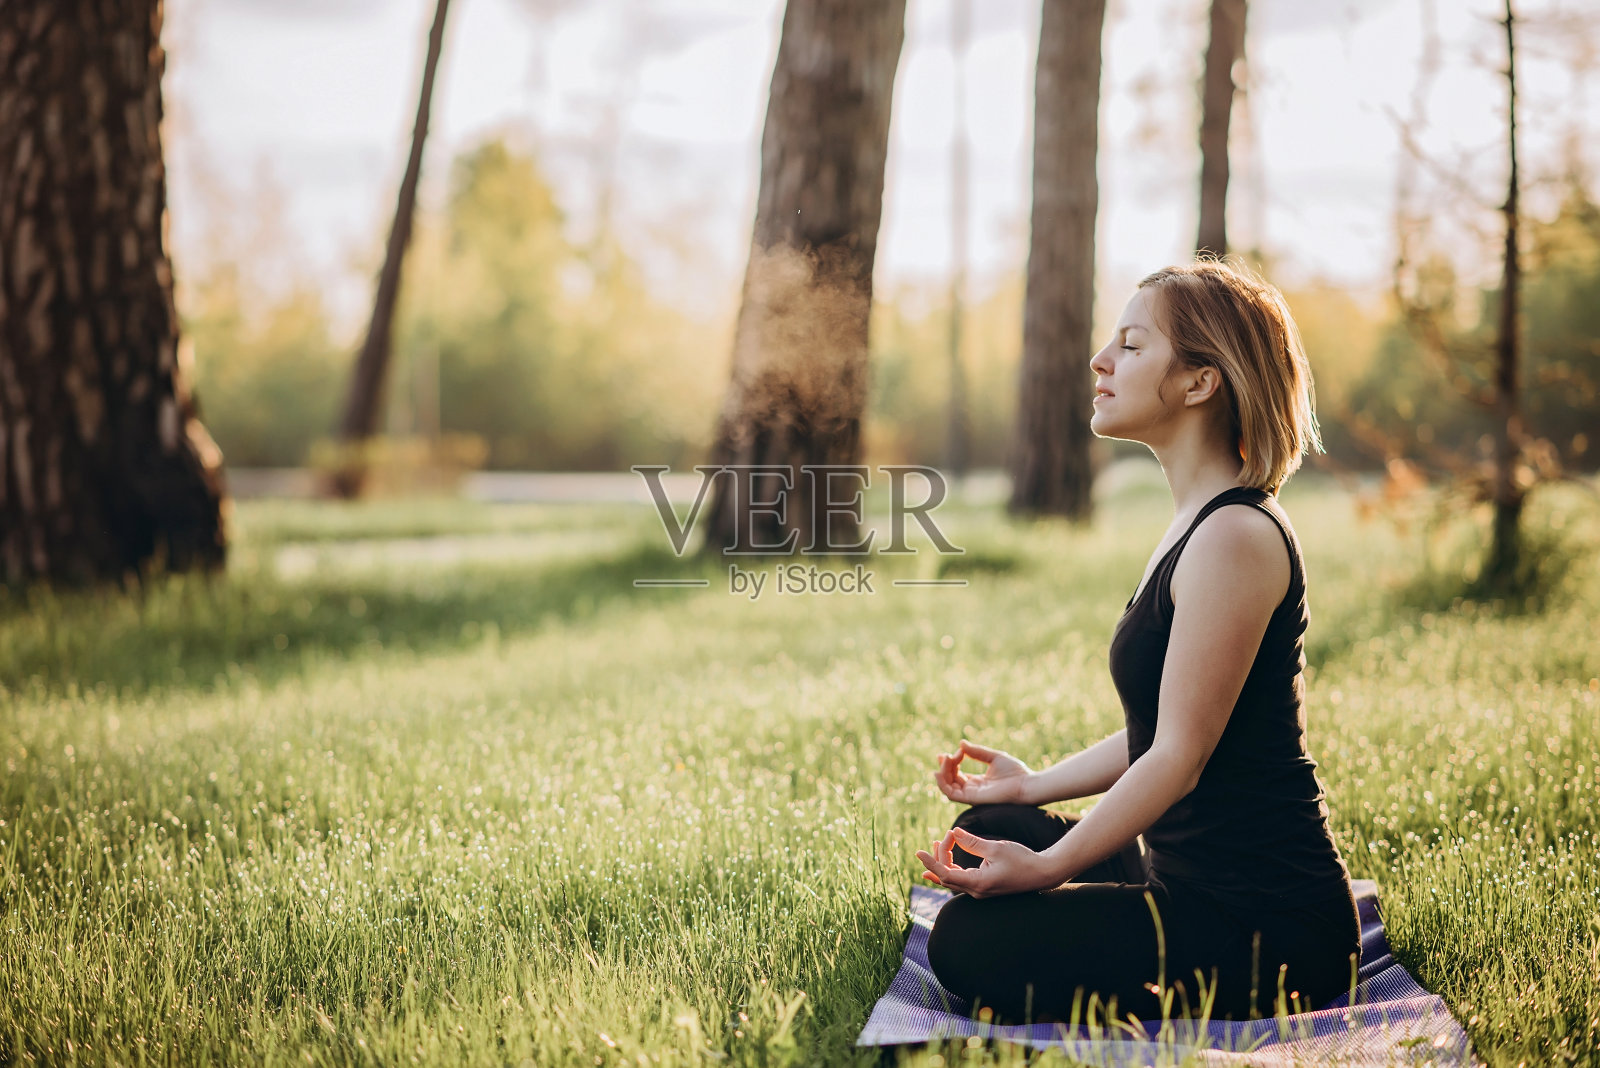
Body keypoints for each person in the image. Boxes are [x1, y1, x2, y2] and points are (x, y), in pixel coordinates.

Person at [915, 260, 1361, 1026]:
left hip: (1266, 924)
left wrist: (1052, 866)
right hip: (1176, 869)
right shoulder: (1197, 524)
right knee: (985, 832)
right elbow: (1162, 731)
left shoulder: (1234, 537)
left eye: (1129, 344)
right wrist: (1029, 789)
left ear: (1199, 382)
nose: (1100, 360)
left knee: (967, 943)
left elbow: (1179, 755)